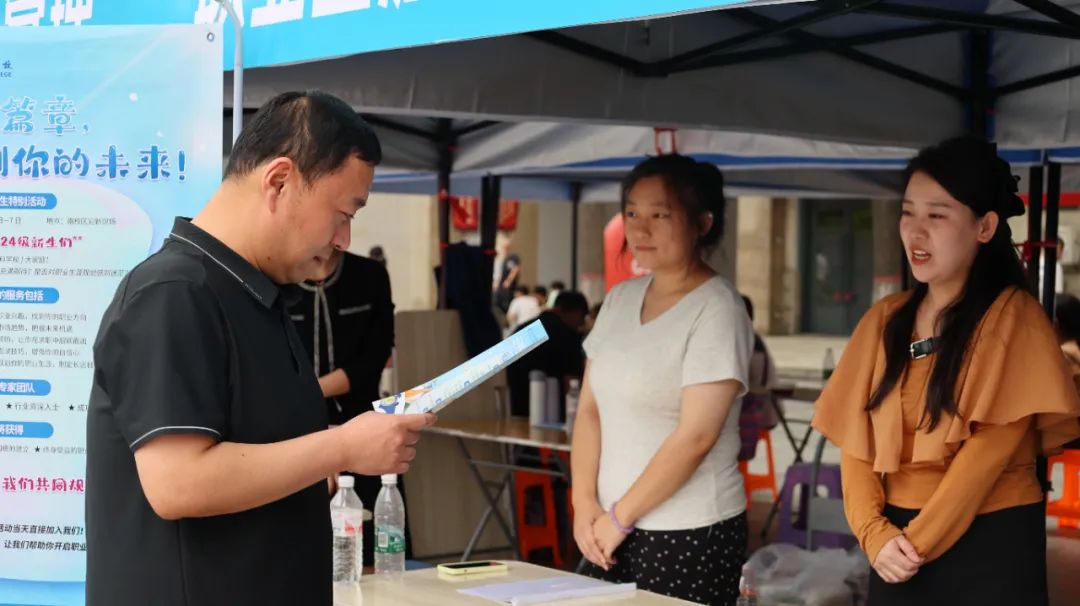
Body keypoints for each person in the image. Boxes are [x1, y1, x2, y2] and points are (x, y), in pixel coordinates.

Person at [85, 91, 435, 606]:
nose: (344, 239)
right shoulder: (174, 293)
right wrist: (340, 448)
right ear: (279, 181)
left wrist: (324, 458)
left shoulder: (256, 295)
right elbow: (178, 483)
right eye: (343, 213)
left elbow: (256, 450)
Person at [812, 136, 1080, 605]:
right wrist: (874, 534)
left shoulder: (1014, 318)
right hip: (893, 542)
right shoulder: (884, 319)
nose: (916, 232)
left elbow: (986, 457)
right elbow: (855, 443)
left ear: (985, 227)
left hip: (988, 542)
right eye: (907, 213)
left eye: (936, 216)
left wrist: (912, 547)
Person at [572, 154, 753, 605]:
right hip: (606, 526)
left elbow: (696, 436)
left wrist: (619, 519)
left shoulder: (718, 308)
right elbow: (590, 410)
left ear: (702, 223)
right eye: (632, 213)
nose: (640, 229)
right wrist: (584, 503)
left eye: (660, 215)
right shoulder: (619, 299)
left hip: (689, 530)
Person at [290, 249, 411, 564]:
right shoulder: (282, 279)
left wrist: (310, 392)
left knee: (376, 544)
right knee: (305, 551)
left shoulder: (369, 276)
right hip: (296, 432)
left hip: (367, 427)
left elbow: (373, 358)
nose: (340, 236)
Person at [506, 290, 589, 419]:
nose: (581, 323)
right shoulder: (567, 335)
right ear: (575, 312)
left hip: (516, 408)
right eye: (582, 316)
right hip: (552, 414)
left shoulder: (524, 329)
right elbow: (571, 381)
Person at [493, 235, 521, 312]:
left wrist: (508, 281)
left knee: (507, 305)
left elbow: (515, 270)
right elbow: (499, 274)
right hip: (500, 289)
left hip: (509, 289)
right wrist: (495, 284)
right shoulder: (502, 260)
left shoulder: (513, 257)